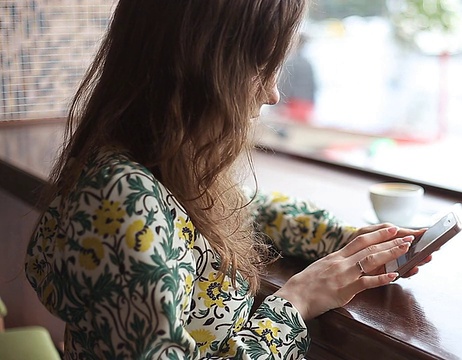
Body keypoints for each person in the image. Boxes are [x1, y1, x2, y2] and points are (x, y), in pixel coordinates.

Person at [23, 1, 429, 358]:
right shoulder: (124, 204)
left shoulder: (155, 161)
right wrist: (295, 302)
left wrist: (343, 239)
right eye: (261, 66)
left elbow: (243, 208)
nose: (272, 94)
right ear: (200, 66)